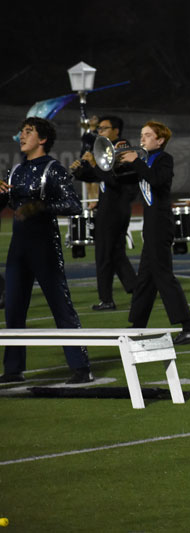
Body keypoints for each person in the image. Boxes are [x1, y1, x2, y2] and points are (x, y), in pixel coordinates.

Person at [0, 117, 93, 384]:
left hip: (45, 246)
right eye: (22, 132)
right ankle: (13, 369)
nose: (22, 136)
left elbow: (74, 205)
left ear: (42, 139)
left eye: (28, 132)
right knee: (14, 308)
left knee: (60, 305)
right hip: (18, 248)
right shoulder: (15, 170)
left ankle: (81, 367)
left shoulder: (53, 169)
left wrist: (41, 207)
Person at [120, 121, 190, 344]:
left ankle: (189, 326)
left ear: (160, 140)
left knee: (163, 277)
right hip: (151, 225)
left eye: (147, 135)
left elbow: (157, 180)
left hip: (161, 224)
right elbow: (115, 178)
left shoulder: (164, 159)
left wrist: (135, 161)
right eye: (141, 135)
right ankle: (138, 326)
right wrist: (102, 164)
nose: (142, 139)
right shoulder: (144, 161)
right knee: (145, 278)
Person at [70, 115, 139, 310]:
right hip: (109, 206)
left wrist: (93, 163)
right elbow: (100, 177)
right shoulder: (106, 149)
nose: (100, 132)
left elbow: (114, 179)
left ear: (116, 131)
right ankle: (136, 288)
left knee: (103, 254)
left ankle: (106, 299)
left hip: (115, 208)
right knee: (115, 253)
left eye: (104, 129)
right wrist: (81, 172)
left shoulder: (122, 148)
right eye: (98, 129)